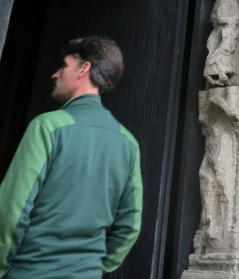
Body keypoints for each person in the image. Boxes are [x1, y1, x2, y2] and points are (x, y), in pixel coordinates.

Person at [0, 37, 142, 278]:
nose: (55, 74)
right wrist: (95, 266)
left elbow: (12, 211)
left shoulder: (47, 127)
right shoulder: (128, 143)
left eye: (64, 65)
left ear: (83, 69)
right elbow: (130, 225)